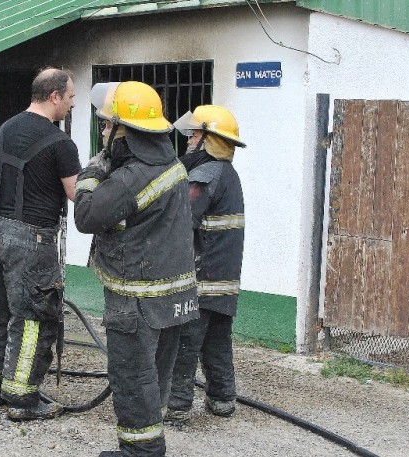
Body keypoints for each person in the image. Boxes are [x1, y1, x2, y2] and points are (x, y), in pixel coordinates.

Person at [75, 81, 198, 457]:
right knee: (155, 378)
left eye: (107, 125)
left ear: (124, 130)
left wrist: (92, 172)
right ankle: (146, 442)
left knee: (131, 378)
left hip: (136, 299)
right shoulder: (171, 163)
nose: (103, 131)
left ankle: (141, 452)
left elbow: (86, 215)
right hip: (175, 299)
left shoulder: (130, 178)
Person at [0, 67, 80, 421]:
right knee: (34, 318)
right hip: (34, 238)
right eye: (70, 97)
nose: (72, 104)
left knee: (2, 313)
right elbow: (76, 194)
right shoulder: (60, 143)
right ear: (54, 96)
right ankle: (22, 397)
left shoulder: (5, 130)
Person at [164, 105, 246, 425]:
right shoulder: (228, 175)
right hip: (223, 282)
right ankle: (222, 399)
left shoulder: (205, 175)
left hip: (201, 281)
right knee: (216, 342)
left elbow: (180, 222)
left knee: (184, 343)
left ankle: (176, 407)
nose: (188, 141)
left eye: (195, 134)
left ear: (209, 140)